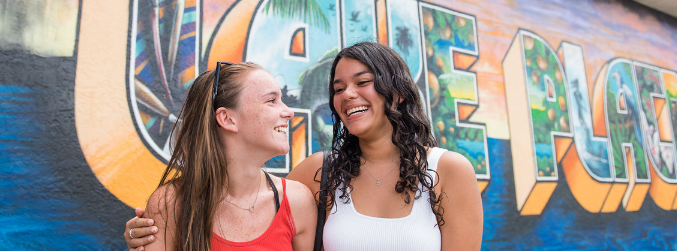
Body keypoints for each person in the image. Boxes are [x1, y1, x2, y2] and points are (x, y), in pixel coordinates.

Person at [127, 43, 483, 250]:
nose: (347, 95)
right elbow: (241, 191)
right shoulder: (317, 174)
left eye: (362, 82)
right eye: (339, 87)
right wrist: (146, 232)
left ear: (399, 91)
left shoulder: (449, 171)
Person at [132, 62, 317, 251]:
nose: (289, 112)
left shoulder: (297, 202)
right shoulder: (170, 203)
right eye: (271, 100)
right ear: (227, 119)